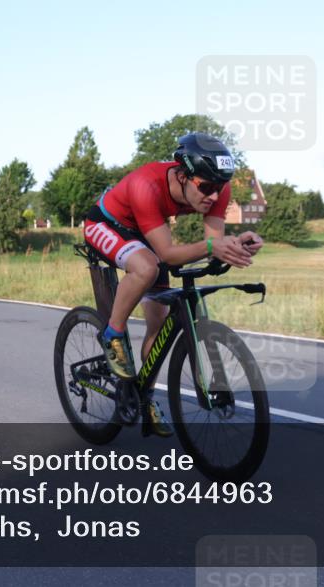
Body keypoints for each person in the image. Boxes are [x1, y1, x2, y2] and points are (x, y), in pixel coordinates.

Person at [82, 133, 264, 437]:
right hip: (106, 224)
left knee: (159, 324)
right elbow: (167, 254)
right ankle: (112, 334)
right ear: (182, 176)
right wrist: (212, 246)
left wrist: (237, 245)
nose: (214, 196)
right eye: (205, 188)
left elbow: (214, 245)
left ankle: (144, 396)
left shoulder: (217, 186)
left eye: (219, 188)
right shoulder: (146, 184)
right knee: (146, 267)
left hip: (146, 231)